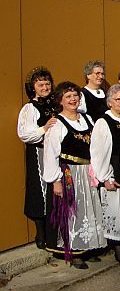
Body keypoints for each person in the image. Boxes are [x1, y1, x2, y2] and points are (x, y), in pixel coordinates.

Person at [43, 81, 106, 269]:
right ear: (61, 100)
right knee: (72, 211)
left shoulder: (87, 120)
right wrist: (55, 181)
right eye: (68, 96)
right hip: (69, 173)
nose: (73, 99)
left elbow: (96, 147)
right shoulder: (57, 124)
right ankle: (73, 249)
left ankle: (86, 245)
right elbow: (50, 153)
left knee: (88, 210)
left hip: (86, 172)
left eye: (75, 96)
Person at [90, 84, 120, 267]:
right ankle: (118, 246)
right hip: (114, 167)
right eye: (118, 99)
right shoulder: (104, 122)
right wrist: (105, 177)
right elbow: (98, 152)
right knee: (117, 209)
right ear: (110, 102)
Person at [17, 66, 58, 250]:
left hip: (54, 152)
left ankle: (54, 232)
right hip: (38, 152)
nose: (45, 87)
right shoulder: (30, 108)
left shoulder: (54, 104)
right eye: (40, 84)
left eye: (47, 83)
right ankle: (41, 232)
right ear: (33, 87)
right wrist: (44, 129)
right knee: (39, 190)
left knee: (54, 190)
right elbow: (25, 134)